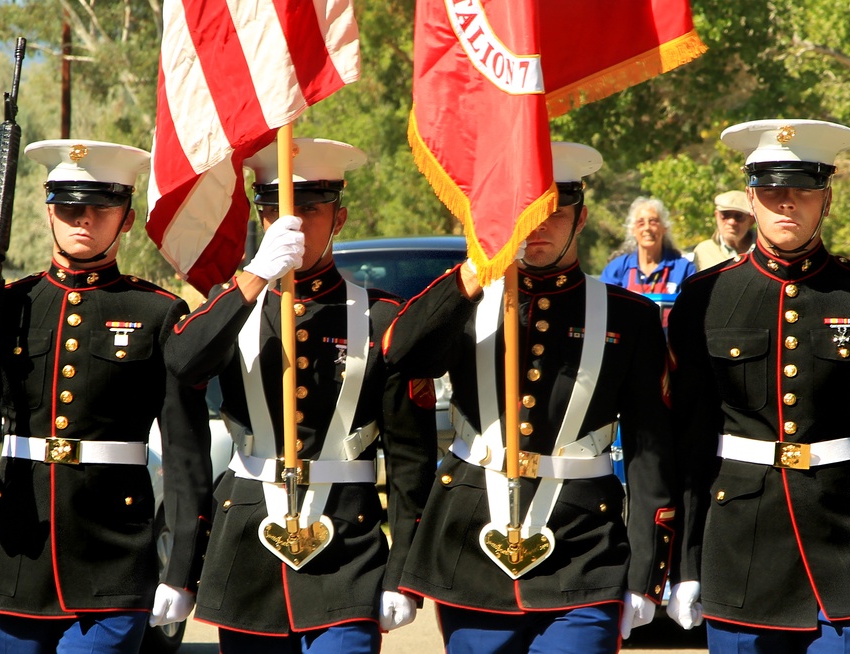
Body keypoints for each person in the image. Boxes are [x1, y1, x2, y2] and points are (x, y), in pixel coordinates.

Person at [382, 142, 678, 653]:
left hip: (584, 545)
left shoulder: (630, 318)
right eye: (523, 211)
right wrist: (476, 269)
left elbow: (652, 452)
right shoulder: (468, 299)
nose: (537, 225)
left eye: (553, 212)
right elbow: (404, 355)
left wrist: (647, 570)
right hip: (472, 542)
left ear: (580, 217)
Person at [163, 137, 437, 653]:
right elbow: (183, 363)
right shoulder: (235, 306)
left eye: (311, 209)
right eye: (274, 210)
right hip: (248, 548)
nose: (292, 224)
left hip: (347, 550)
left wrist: (402, 571)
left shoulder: (379, 316)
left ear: (340, 218)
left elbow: (410, 458)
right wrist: (255, 276)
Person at [0, 139, 213, 652]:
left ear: (127, 219)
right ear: (49, 211)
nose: (83, 219)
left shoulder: (157, 313)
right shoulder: (9, 305)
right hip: (17, 553)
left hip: (114, 557)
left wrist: (181, 569)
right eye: (68, 206)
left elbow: (184, 455)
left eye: (101, 206)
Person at [665, 119, 850, 653]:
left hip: (842, 541)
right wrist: (683, 562)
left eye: (803, 191)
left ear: (826, 200)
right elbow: (687, 443)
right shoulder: (707, 297)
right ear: (752, 200)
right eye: (772, 192)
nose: (787, 204)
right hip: (739, 543)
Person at [600, 196, 695, 294]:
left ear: (664, 228)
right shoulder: (616, 269)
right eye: (641, 223)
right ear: (633, 230)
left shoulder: (684, 269)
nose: (647, 228)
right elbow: (604, 304)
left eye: (653, 222)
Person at [692, 190, 756, 271]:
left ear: (752, 221)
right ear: (716, 216)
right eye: (725, 215)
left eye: (739, 216)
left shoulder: (766, 249)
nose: (731, 222)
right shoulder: (703, 251)